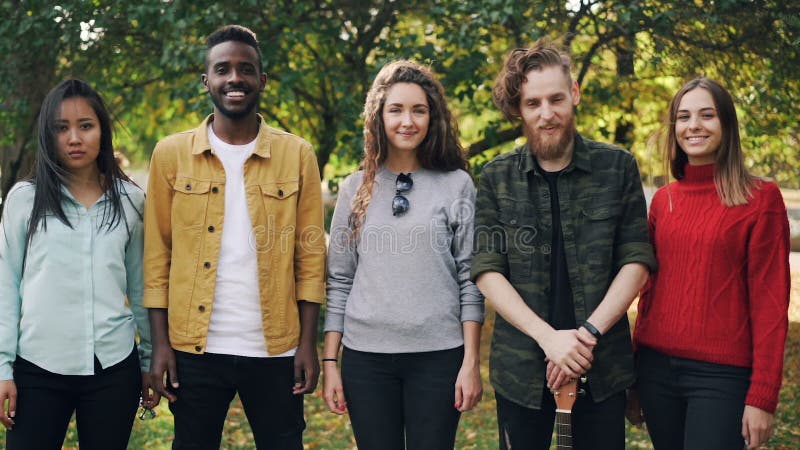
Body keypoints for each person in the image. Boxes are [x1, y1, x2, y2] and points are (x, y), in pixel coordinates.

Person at [143, 25, 326, 449]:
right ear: (206, 80)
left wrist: (306, 344)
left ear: (262, 80)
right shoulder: (170, 154)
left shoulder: (297, 154)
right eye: (222, 69)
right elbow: (157, 255)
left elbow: (310, 257)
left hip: (276, 348)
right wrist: (161, 346)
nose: (234, 79)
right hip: (194, 347)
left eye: (246, 69)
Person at [470, 39, 657, 450]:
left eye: (556, 99)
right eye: (533, 103)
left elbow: (636, 258)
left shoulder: (616, 167)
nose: (546, 113)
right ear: (520, 108)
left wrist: (585, 336)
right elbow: (487, 269)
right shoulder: (497, 177)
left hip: (600, 365)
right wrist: (549, 339)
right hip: (521, 369)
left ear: (574, 95)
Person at [322, 60, 484, 450]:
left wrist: (471, 362)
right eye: (395, 109)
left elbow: (471, 279)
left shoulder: (457, 185)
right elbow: (340, 280)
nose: (407, 121)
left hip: (440, 358)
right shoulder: (354, 188)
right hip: (366, 360)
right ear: (378, 116)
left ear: (434, 117)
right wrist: (330, 362)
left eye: (419, 110)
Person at [629, 77, 790, 450]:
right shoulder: (664, 200)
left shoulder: (760, 198)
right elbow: (649, 294)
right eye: (683, 117)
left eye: (707, 115)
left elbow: (770, 305)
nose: (693, 126)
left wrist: (762, 396)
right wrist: (635, 375)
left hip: (722, 377)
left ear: (726, 125)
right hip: (656, 372)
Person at [0, 79, 153, 449]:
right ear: (48, 135)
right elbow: (6, 286)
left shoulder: (130, 200)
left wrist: (149, 361)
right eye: (61, 127)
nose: (74, 137)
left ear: (102, 130)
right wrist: (2, 367)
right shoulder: (25, 200)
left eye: (85, 126)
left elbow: (141, 285)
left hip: (114, 367)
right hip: (37, 367)